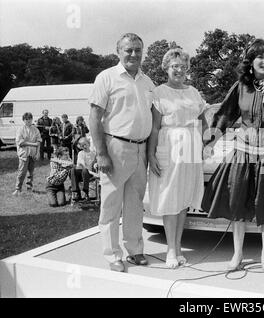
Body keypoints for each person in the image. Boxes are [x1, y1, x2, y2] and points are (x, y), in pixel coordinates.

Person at [201, 39, 264, 273]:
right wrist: (209, 141)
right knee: (238, 207)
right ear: (251, 61)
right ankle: (238, 254)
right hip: (243, 154)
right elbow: (225, 115)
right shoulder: (241, 86)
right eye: (260, 57)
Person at [89, 33, 155, 272]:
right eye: (128, 50)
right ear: (118, 52)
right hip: (115, 147)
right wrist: (101, 154)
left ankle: (135, 250)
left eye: (138, 50)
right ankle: (112, 254)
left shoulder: (148, 82)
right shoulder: (106, 78)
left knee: (135, 204)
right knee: (111, 205)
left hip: (141, 148)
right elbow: (94, 118)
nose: (134, 54)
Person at [147, 48, 209, 268]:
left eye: (183, 66)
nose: (179, 70)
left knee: (183, 200)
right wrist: (151, 154)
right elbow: (154, 128)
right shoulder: (159, 92)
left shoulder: (193, 92)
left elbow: (203, 122)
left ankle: (178, 247)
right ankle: (170, 251)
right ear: (166, 68)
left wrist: (203, 144)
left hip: (191, 150)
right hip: (169, 146)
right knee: (170, 198)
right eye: (175, 66)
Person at [13, 112, 42, 196]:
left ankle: (29, 187)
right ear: (23, 120)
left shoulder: (35, 129)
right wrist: (33, 144)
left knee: (31, 172)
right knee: (22, 172)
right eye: (26, 119)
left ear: (32, 119)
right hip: (24, 154)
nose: (28, 121)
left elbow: (38, 141)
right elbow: (21, 143)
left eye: (30, 119)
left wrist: (38, 152)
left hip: (32, 154)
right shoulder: (20, 129)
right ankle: (18, 189)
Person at [71, 137, 97, 203]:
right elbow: (82, 165)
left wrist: (95, 165)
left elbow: (95, 165)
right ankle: (76, 192)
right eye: (82, 146)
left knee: (85, 170)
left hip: (89, 174)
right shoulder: (80, 154)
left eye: (85, 144)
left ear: (89, 144)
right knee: (73, 170)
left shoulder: (93, 154)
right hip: (80, 174)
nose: (84, 146)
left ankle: (86, 193)